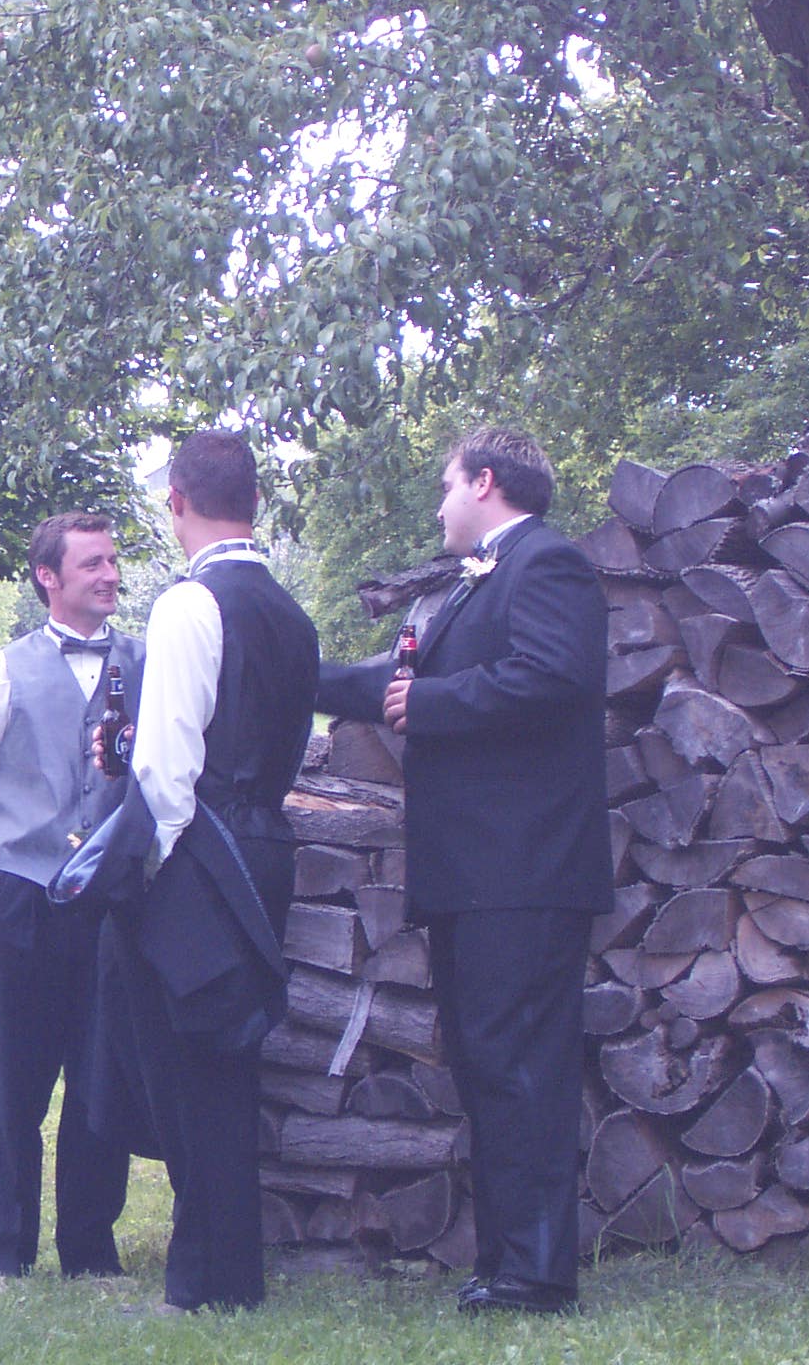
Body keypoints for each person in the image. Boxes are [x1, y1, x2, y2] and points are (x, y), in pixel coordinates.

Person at [316, 426, 609, 1315]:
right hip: (478, 873)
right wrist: (291, 674)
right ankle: (506, 1260)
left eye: (447, 486)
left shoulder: (548, 564)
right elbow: (394, 681)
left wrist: (434, 702)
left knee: (523, 1069)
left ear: (485, 483)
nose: (439, 505)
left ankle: (538, 1273)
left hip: (525, 870)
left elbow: (555, 677)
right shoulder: (477, 578)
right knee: (487, 1066)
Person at [98, 431, 318, 1313]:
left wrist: (141, 875)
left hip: (200, 851)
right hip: (266, 845)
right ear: (255, 503)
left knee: (184, 1066)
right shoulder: (293, 616)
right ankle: (226, 1274)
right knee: (227, 1062)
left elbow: (166, 768)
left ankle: (204, 1282)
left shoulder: (191, 603)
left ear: (177, 503)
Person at [0, 513, 139, 1282]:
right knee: (11, 1089)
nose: (110, 575)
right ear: (48, 577)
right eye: (92, 564)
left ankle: (89, 1248)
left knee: (101, 1082)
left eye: (112, 560)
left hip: (113, 906)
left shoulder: (148, 664)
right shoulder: (0, 673)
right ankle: (5, 1251)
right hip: (20, 903)